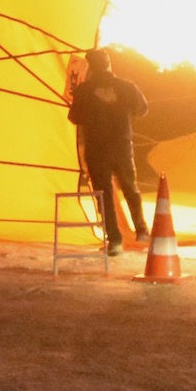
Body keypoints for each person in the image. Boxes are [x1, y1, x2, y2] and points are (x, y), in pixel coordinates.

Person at [66, 46, 149, 255]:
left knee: (103, 195)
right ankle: (142, 230)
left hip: (97, 150)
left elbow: (74, 118)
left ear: (91, 68)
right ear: (109, 64)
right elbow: (142, 109)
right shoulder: (127, 87)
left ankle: (115, 241)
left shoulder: (83, 90)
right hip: (121, 147)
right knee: (130, 188)